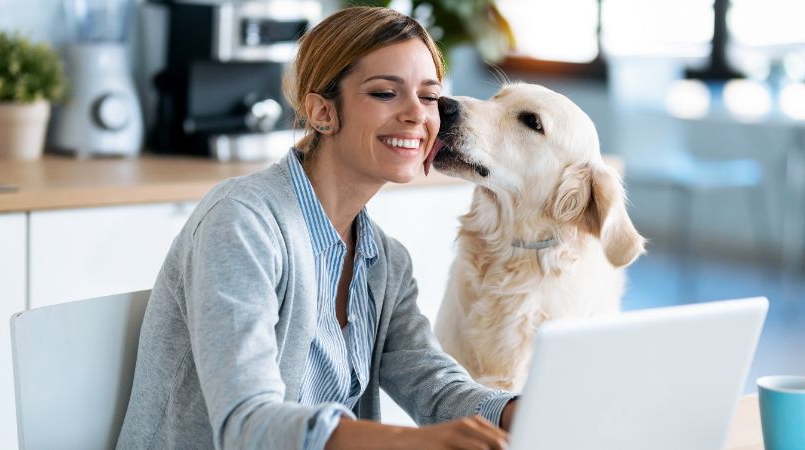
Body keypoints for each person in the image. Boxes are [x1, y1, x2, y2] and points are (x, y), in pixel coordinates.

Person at [117, 7, 517, 450]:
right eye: (385, 92)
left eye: (428, 97)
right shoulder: (243, 223)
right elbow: (246, 423)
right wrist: (411, 442)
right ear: (322, 112)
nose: (415, 115)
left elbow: (436, 388)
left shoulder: (385, 261)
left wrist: (517, 410)